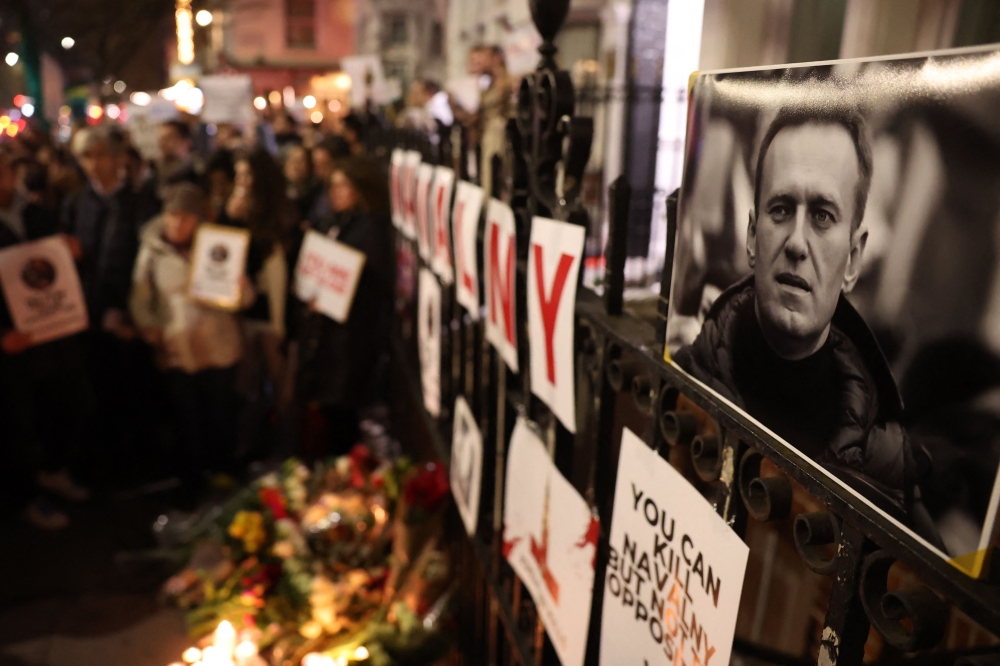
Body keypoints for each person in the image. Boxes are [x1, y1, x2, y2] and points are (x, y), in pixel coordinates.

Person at [673, 108, 941, 544]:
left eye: (821, 216)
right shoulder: (682, 380)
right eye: (781, 209)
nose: (797, 243)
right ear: (751, 235)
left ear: (853, 259)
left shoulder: (886, 475)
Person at [130, 183, 247, 487]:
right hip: (178, 349)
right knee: (186, 418)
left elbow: (245, 298)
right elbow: (141, 297)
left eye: (185, 218)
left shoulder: (218, 247)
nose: (176, 224)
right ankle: (191, 479)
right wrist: (149, 325)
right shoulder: (152, 250)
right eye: (172, 217)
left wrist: (239, 287)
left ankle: (222, 472)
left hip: (218, 345)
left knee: (220, 412)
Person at [0, 146, 92, 529]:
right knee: (17, 421)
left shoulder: (36, 211)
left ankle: (53, 468)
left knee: (69, 403)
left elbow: (55, 262)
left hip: (53, 333)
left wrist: (72, 253)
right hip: (12, 344)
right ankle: (25, 496)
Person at [295, 157, 394, 458]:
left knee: (343, 418)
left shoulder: (371, 229)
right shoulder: (331, 223)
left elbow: (375, 284)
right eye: (333, 185)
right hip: (324, 337)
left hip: (349, 340)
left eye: (343, 186)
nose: (335, 192)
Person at [62, 127, 145, 475]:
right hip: (87, 314)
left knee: (132, 390)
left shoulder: (139, 202)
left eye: (98, 154)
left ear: (117, 158)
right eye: (85, 156)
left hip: (127, 315)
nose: (93, 164)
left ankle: (134, 459)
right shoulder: (77, 203)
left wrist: (128, 311)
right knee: (95, 389)